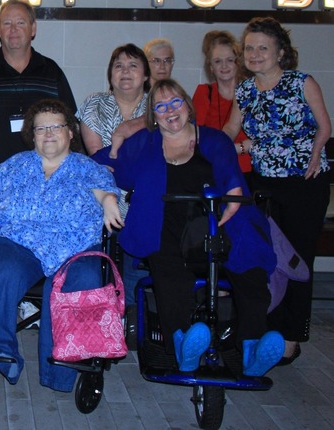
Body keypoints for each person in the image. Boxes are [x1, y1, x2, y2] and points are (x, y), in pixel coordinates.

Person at [94, 79, 283, 376]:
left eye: (175, 102)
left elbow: (231, 177)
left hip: (217, 220)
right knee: (170, 275)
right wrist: (103, 182)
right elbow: (103, 163)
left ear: (188, 106)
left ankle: (252, 347)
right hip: (162, 222)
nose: (170, 111)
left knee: (248, 266)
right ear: (153, 116)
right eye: (160, 106)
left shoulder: (214, 140)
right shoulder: (145, 143)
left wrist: (233, 194)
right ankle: (182, 344)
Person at [0, 99, 122, 391]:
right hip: (20, 244)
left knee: (84, 278)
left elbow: (104, 190)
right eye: (41, 128)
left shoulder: (85, 166)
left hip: (74, 247)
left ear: (70, 133)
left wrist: (109, 202)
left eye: (56, 126)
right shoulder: (17, 162)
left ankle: (61, 367)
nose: (49, 133)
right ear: (33, 134)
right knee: (4, 272)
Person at [223, 17, 332, 366]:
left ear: (281, 52)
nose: (255, 54)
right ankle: (266, 327)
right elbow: (230, 129)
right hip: (264, 183)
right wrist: (206, 145)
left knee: (298, 259)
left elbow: (325, 126)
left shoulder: (302, 82)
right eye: (250, 48)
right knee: (267, 259)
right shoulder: (245, 89)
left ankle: (291, 338)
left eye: (262, 48)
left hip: (304, 183)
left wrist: (315, 154)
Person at [0, 0, 77, 247]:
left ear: (33, 29)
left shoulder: (51, 71)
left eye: (20, 23)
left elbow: (71, 127)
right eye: (7, 23)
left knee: (45, 254)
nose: (13, 29)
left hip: (46, 186)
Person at [76, 43, 151, 343]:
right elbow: (98, 158)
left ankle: (132, 316)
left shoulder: (159, 105)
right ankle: (99, 316)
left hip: (145, 195)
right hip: (102, 194)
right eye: (118, 65)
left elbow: (160, 156)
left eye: (133, 65)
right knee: (96, 254)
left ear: (146, 74)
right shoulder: (94, 103)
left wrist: (122, 159)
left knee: (138, 245)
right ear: (110, 74)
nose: (125, 71)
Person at [192, 31, 252, 175]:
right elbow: (195, 139)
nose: (224, 66)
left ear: (238, 63)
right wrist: (241, 148)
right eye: (218, 61)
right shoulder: (204, 93)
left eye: (230, 60)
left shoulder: (251, 93)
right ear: (211, 67)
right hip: (214, 170)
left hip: (251, 172)